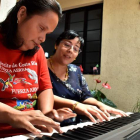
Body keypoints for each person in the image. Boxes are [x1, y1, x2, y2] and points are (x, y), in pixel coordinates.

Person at [0, 0, 76, 138]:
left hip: (30, 133)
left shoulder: (37, 51)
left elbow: (45, 88)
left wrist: (46, 114)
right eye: (41, 28)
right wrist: (14, 115)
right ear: (22, 13)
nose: (43, 38)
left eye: (48, 33)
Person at [47, 30, 127, 126]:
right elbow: (41, 96)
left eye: (76, 49)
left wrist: (100, 105)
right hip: (49, 124)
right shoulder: (41, 65)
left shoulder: (75, 70)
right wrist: (76, 105)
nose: (70, 50)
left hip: (75, 126)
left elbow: (85, 96)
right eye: (67, 45)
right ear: (56, 45)